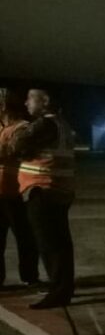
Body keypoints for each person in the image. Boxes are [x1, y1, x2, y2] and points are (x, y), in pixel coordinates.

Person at [5, 89, 75, 308]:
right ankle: (63, 288)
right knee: (60, 244)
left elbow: (16, 145)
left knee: (49, 245)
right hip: (60, 190)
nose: (26, 103)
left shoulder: (44, 125)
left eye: (30, 98)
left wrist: (19, 148)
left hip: (43, 189)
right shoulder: (62, 125)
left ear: (45, 102)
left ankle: (58, 292)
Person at [0, 88, 40, 290]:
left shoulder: (22, 128)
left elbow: (12, 151)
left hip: (15, 193)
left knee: (25, 238)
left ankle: (29, 276)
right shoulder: (2, 128)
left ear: (4, 106)